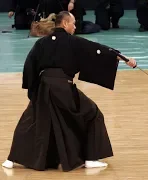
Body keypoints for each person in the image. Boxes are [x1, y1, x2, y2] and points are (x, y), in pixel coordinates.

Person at [2, 11, 136, 172]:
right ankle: (91, 158)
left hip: (44, 88)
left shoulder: (41, 43)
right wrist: (125, 58)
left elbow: (30, 66)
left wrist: (34, 92)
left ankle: (11, 159)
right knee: (92, 113)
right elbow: (98, 50)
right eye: (73, 23)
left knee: (32, 119)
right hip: (63, 87)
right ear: (64, 24)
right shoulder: (74, 42)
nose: (74, 27)